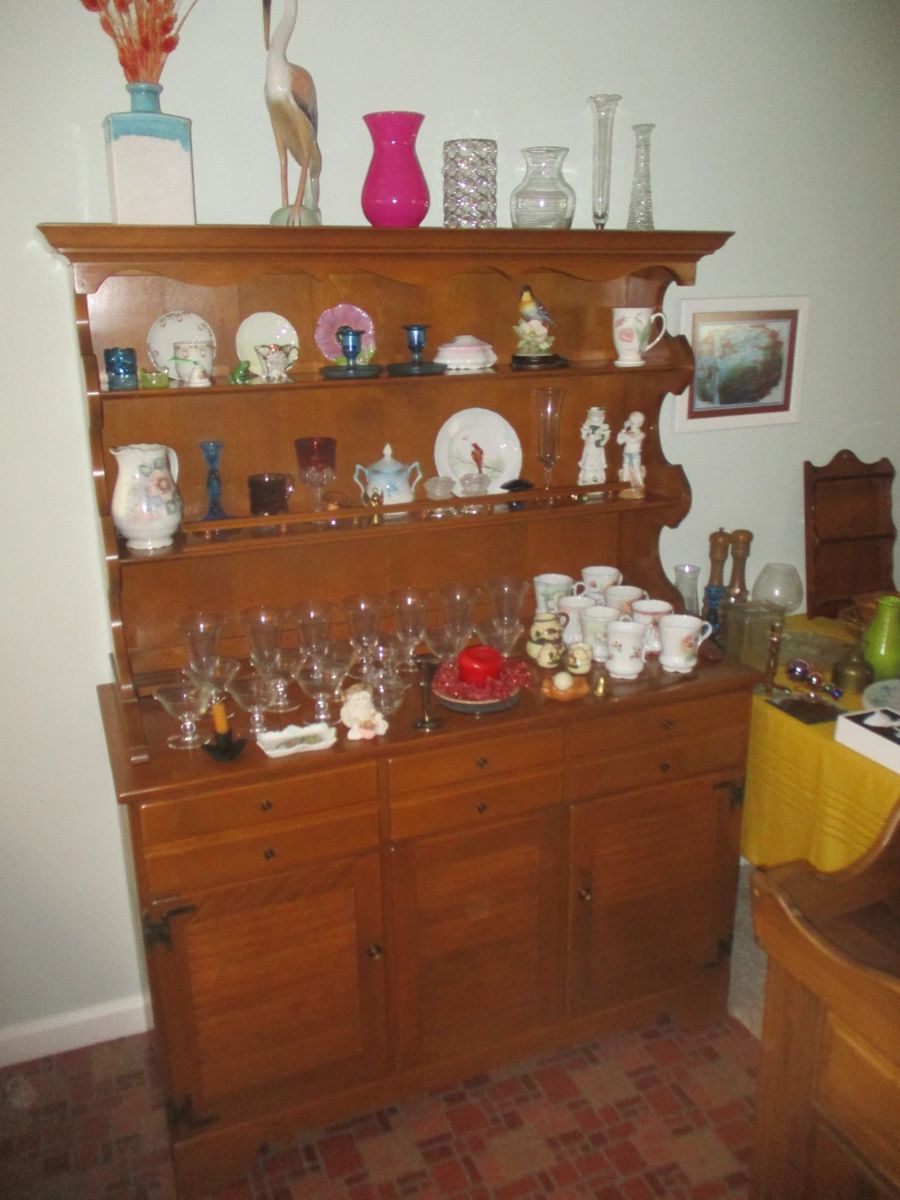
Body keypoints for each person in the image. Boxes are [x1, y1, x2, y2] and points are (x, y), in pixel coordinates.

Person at [578, 405, 611, 485]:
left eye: (598, 416)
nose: (595, 418)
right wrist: (587, 436)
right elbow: (583, 436)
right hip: (589, 446)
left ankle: (596, 478)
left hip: (597, 447)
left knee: (597, 462)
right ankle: (586, 478)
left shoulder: (603, 426)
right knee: (588, 461)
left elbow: (606, 436)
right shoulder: (587, 426)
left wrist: (603, 441)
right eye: (593, 416)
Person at [617, 411, 646, 496]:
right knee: (625, 469)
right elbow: (619, 442)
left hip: (635, 455)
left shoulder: (641, 434)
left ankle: (640, 485)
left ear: (640, 424)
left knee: (636, 469)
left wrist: (625, 434)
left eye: (635, 423)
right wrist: (621, 433)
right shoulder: (627, 432)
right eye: (631, 422)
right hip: (626, 453)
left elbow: (633, 440)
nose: (632, 425)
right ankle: (624, 485)